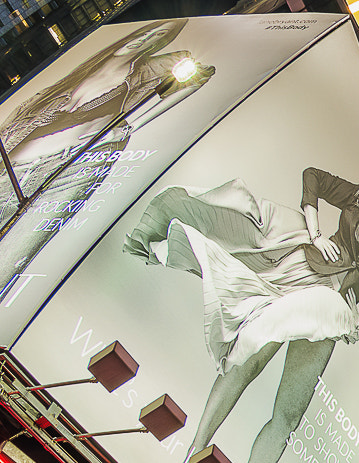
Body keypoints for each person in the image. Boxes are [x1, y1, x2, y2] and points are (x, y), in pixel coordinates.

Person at [124, 168, 359, 463]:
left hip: (327, 316)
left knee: (288, 416)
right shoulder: (358, 198)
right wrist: (315, 235)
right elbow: (310, 177)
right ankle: (191, 461)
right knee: (246, 361)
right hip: (303, 278)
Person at [0, 21, 212, 293]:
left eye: (160, 35)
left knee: (7, 261)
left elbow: (195, 78)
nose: (146, 37)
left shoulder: (142, 78)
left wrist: (122, 127)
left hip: (57, 179)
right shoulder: (74, 78)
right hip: (11, 169)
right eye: (148, 31)